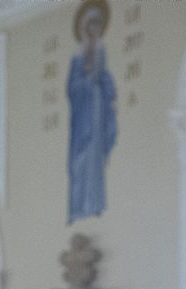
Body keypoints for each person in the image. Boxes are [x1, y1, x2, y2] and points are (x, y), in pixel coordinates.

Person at [66, 0, 117, 224]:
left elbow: (106, 80)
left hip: (97, 114)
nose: (94, 28)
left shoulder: (101, 53)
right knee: (79, 162)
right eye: (91, 24)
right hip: (81, 118)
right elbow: (72, 87)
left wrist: (107, 91)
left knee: (95, 161)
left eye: (97, 24)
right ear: (84, 27)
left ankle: (94, 205)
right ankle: (77, 208)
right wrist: (87, 84)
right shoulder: (77, 58)